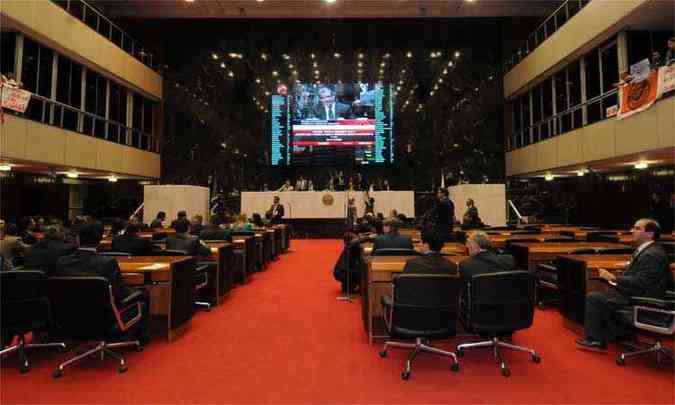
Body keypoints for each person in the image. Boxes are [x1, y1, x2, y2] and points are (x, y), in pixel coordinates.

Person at [576, 218, 671, 352]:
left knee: (595, 297)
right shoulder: (650, 250)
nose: (632, 230)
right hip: (641, 294)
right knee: (605, 293)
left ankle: (595, 340)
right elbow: (645, 274)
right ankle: (620, 335)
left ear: (650, 234)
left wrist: (613, 277)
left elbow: (640, 282)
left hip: (644, 300)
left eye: (637, 228)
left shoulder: (652, 254)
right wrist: (628, 266)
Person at [54, 224, 149, 344]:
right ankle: (139, 339)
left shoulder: (61, 262)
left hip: (67, 317)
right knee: (143, 293)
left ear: (77, 239)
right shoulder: (107, 263)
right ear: (100, 240)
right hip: (104, 319)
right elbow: (120, 294)